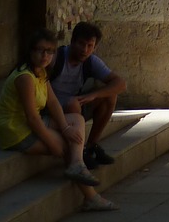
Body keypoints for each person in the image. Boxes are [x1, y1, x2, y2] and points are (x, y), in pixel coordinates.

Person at [0, 28, 117, 212]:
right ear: (30, 51)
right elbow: (32, 118)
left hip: (32, 122)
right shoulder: (24, 77)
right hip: (16, 130)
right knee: (69, 145)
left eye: (50, 51)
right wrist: (50, 140)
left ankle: (77, 164)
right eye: (40, 50)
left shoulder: (42, 72)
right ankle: (91, 196)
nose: (45, 56)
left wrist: (65, 127)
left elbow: (52, 102)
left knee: (76, 119)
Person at [50, 22, 127, 170]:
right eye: (81, 44)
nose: (85, 50)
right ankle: (79, 151)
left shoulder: (91, 61)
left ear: (95, 47)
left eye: (90, 46)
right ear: (72, 41)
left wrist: (94, 95)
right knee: (73, 103)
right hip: (52, 108)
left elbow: (120, 84)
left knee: (110, 96)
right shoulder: (56, 58)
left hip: (76, 105)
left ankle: (91, 145)